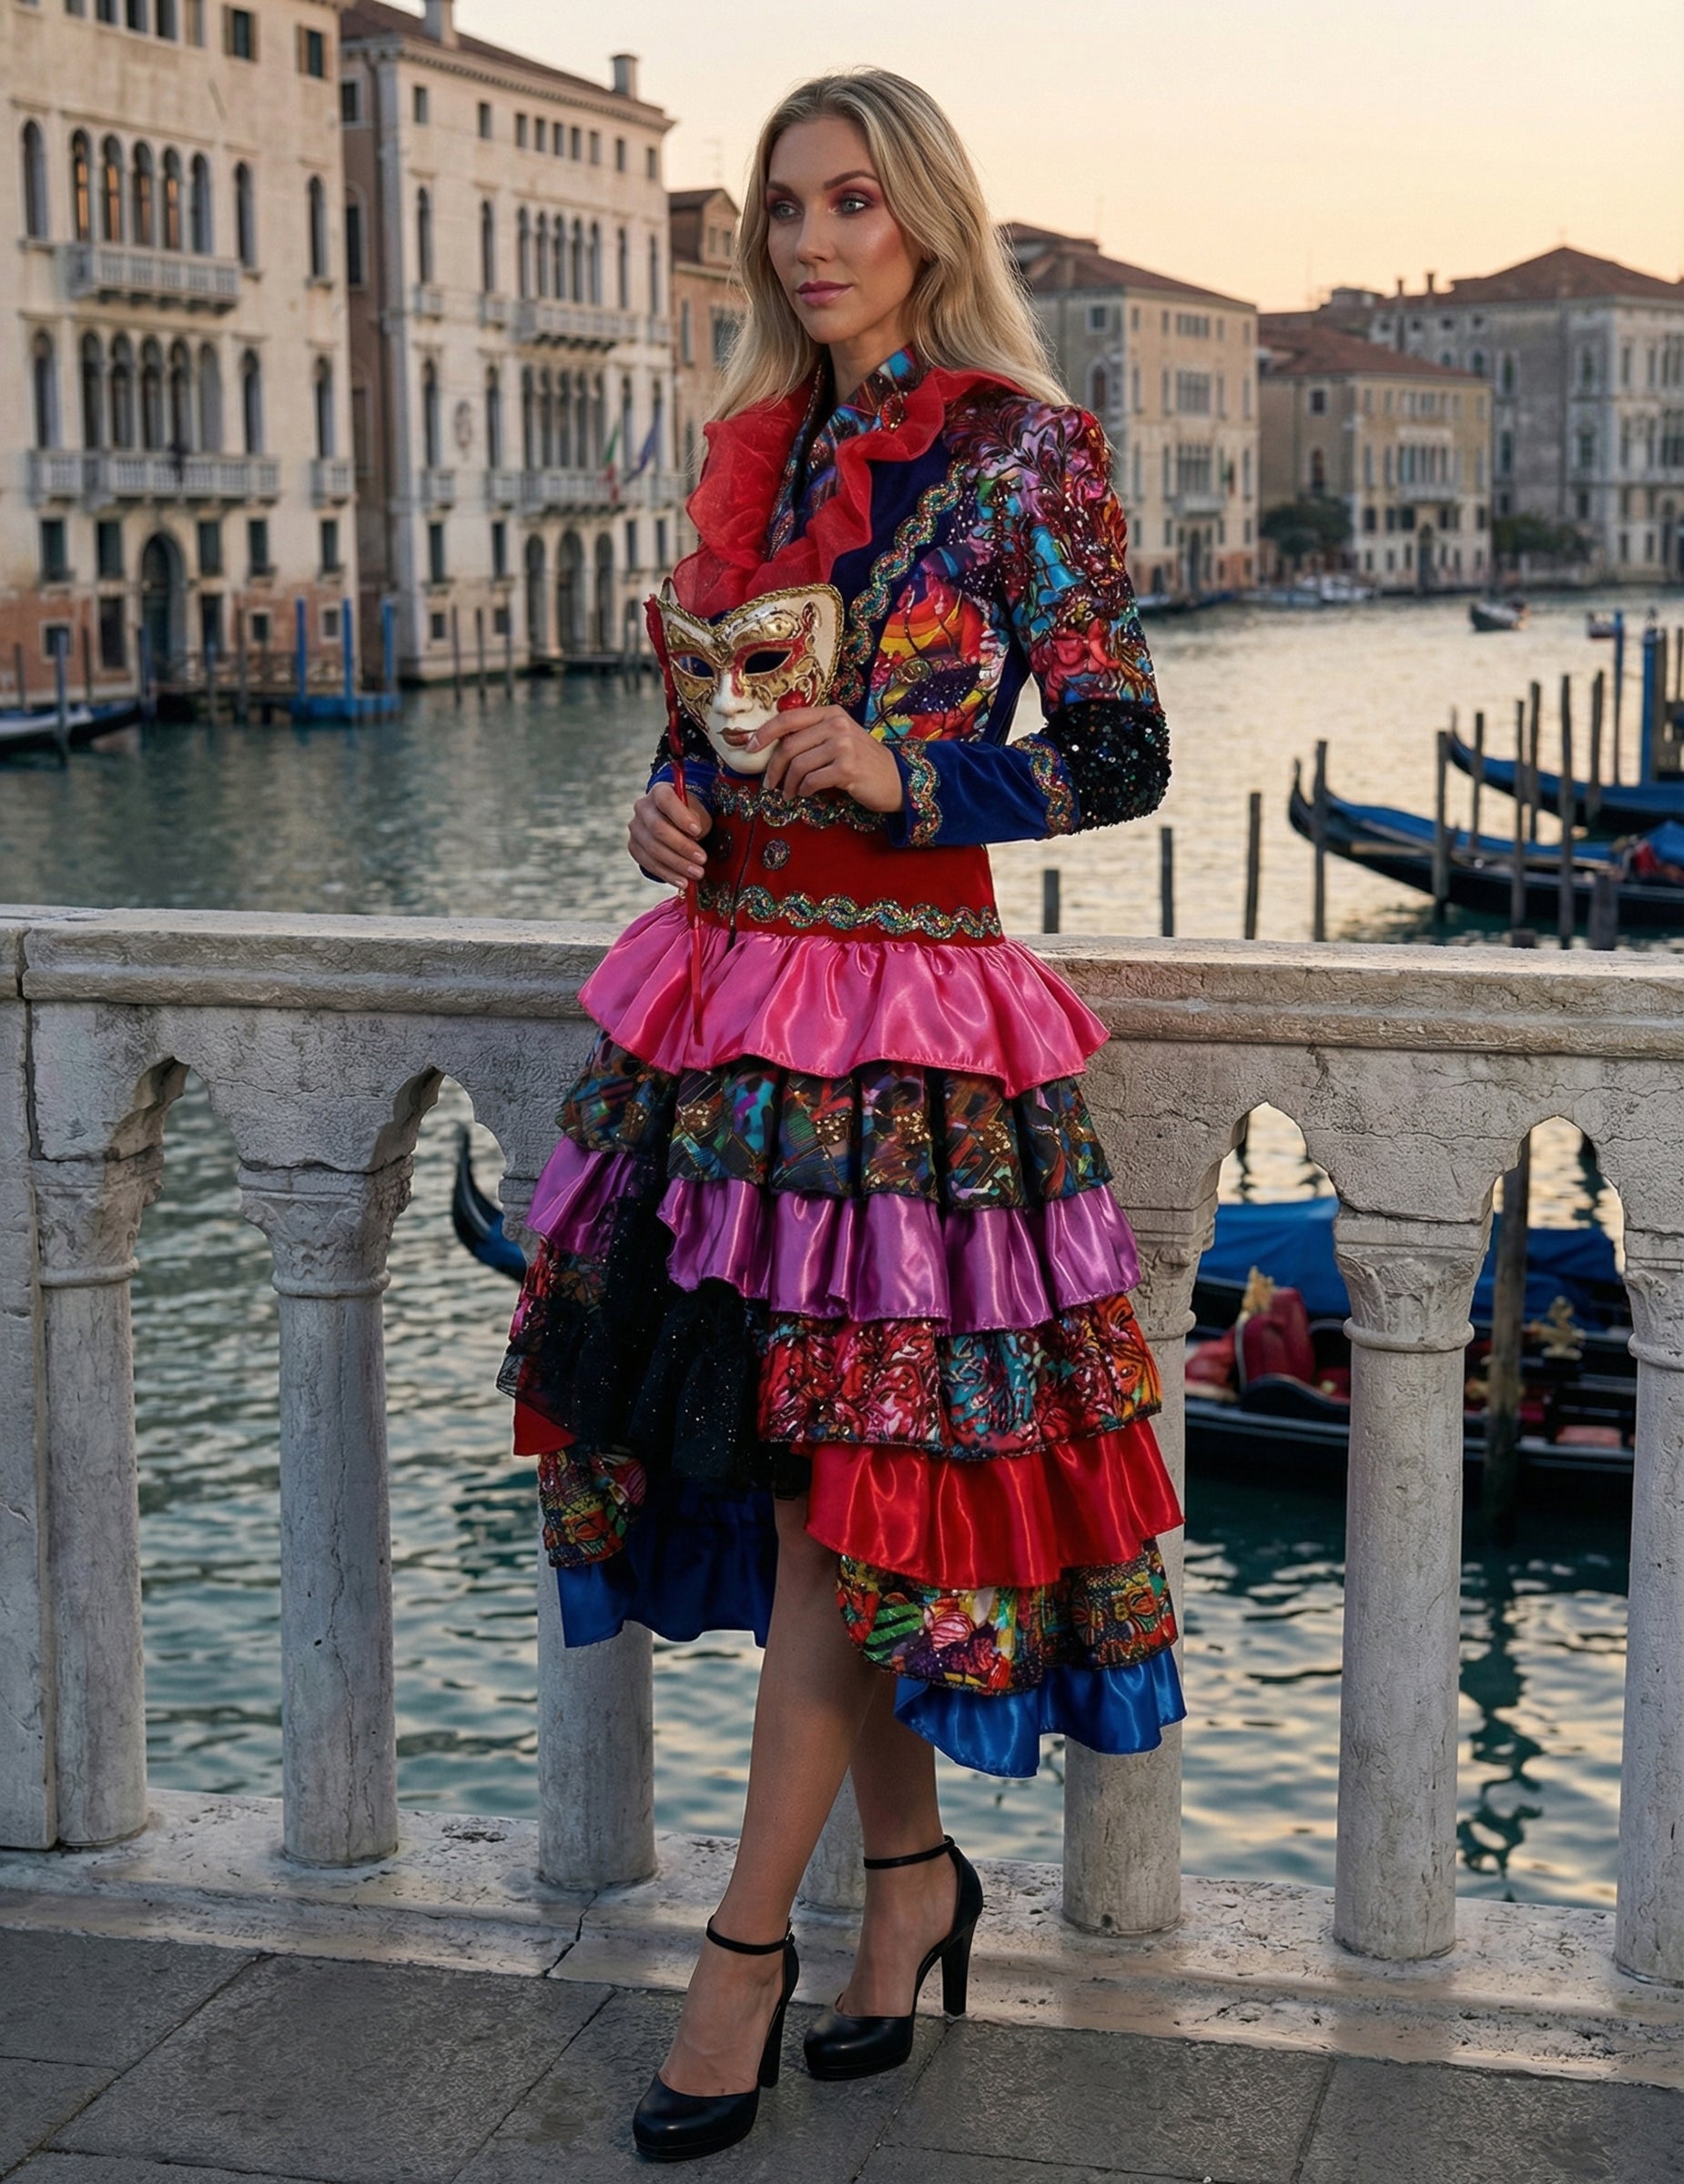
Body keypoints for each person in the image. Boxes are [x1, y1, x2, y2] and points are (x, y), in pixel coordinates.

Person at [500, 66, 1182, 2164]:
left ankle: (742, 1957)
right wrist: (668, 806)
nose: (810, 240)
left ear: (926, 220)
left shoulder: (1021, 452)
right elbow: (707, 726)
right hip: (724, 1018)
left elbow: (1123, 749)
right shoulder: (757, 448)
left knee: (836, 1493)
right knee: (811, 1478)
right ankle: (907, 1887)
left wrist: (913, 777)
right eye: (784, 208)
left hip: (905, 1044)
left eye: (853, 203)